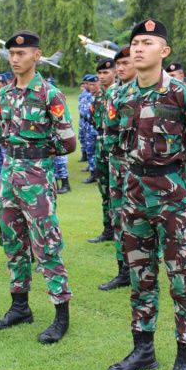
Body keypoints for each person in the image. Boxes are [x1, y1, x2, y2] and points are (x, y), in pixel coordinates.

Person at [106, 19, 186, 370]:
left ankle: (184, 361)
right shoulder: (119, 96)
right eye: (135, 43)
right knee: (140, 277)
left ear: (164, 51)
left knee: (181, 278)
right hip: (134, 196)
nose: (138, 48)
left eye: (147, 42)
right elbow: (112, 144)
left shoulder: (182, 95)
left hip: (172, 197)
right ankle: (143, 351)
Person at [0, 30, 77, 344]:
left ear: (37, 55)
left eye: (22, 54)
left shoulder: (49, 94)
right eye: (12, 53)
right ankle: (20, 306)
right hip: (9, 176)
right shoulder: (4, 95)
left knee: (46, 245)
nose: (15, 59)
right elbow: (0, 133)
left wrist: (38, 153)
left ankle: (60, 314)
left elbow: (68, 141)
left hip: (37, 179)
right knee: (13, 242)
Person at [99, 45, 135, 291]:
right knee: (118, 217)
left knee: (141, 219)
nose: (120, 68)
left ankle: (142, 269)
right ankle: (123, 270)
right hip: (117, 165)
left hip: (139, 167)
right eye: (117, 65)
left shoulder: (146, 90)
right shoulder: (113, 92)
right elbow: (109, 128)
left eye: (125, 63)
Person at [87, 58, 117, 243]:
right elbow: (94, 120)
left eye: (106, 72)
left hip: (115, 147)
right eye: (99, 73)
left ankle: (122, 230)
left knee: (119, 191)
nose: (102, 76)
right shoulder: (98, 97)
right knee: (104, 190)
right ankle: (108, 229)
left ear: (114, 72)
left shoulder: (119, 93)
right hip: (101, 145)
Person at [80, 76, 98, 182]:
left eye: (93, 84)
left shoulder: (101, 96)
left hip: (97, 128)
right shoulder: (87, 96)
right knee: (90, 151)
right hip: (88, 127)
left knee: (99, 153)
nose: (91, 86)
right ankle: (93, 173)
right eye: (89, 84)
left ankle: (98, 174)